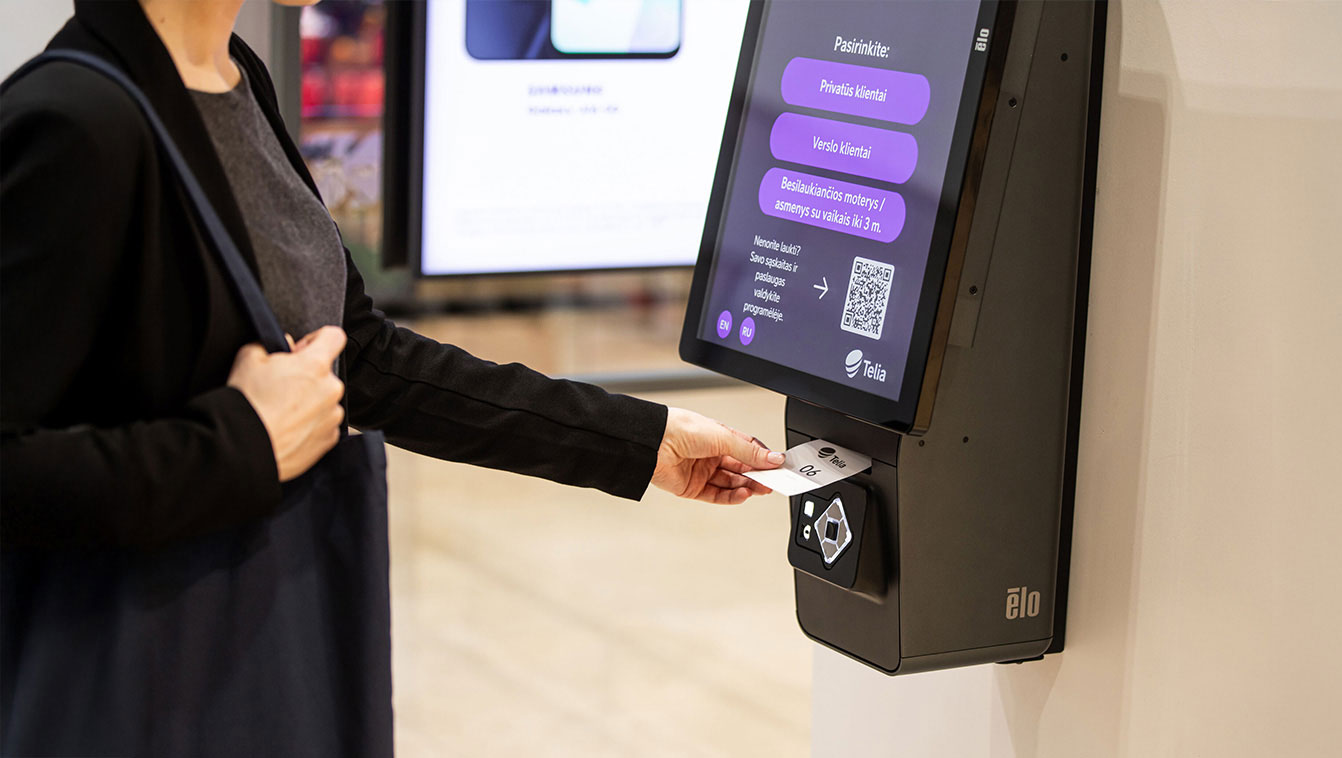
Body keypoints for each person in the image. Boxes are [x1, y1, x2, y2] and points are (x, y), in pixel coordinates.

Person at [0, 0, 780, 754]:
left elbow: (364, 359)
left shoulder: (236, 79)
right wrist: (241, 444)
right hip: (145, 690)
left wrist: (644, 441)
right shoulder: (75, 124)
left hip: (261, 663)